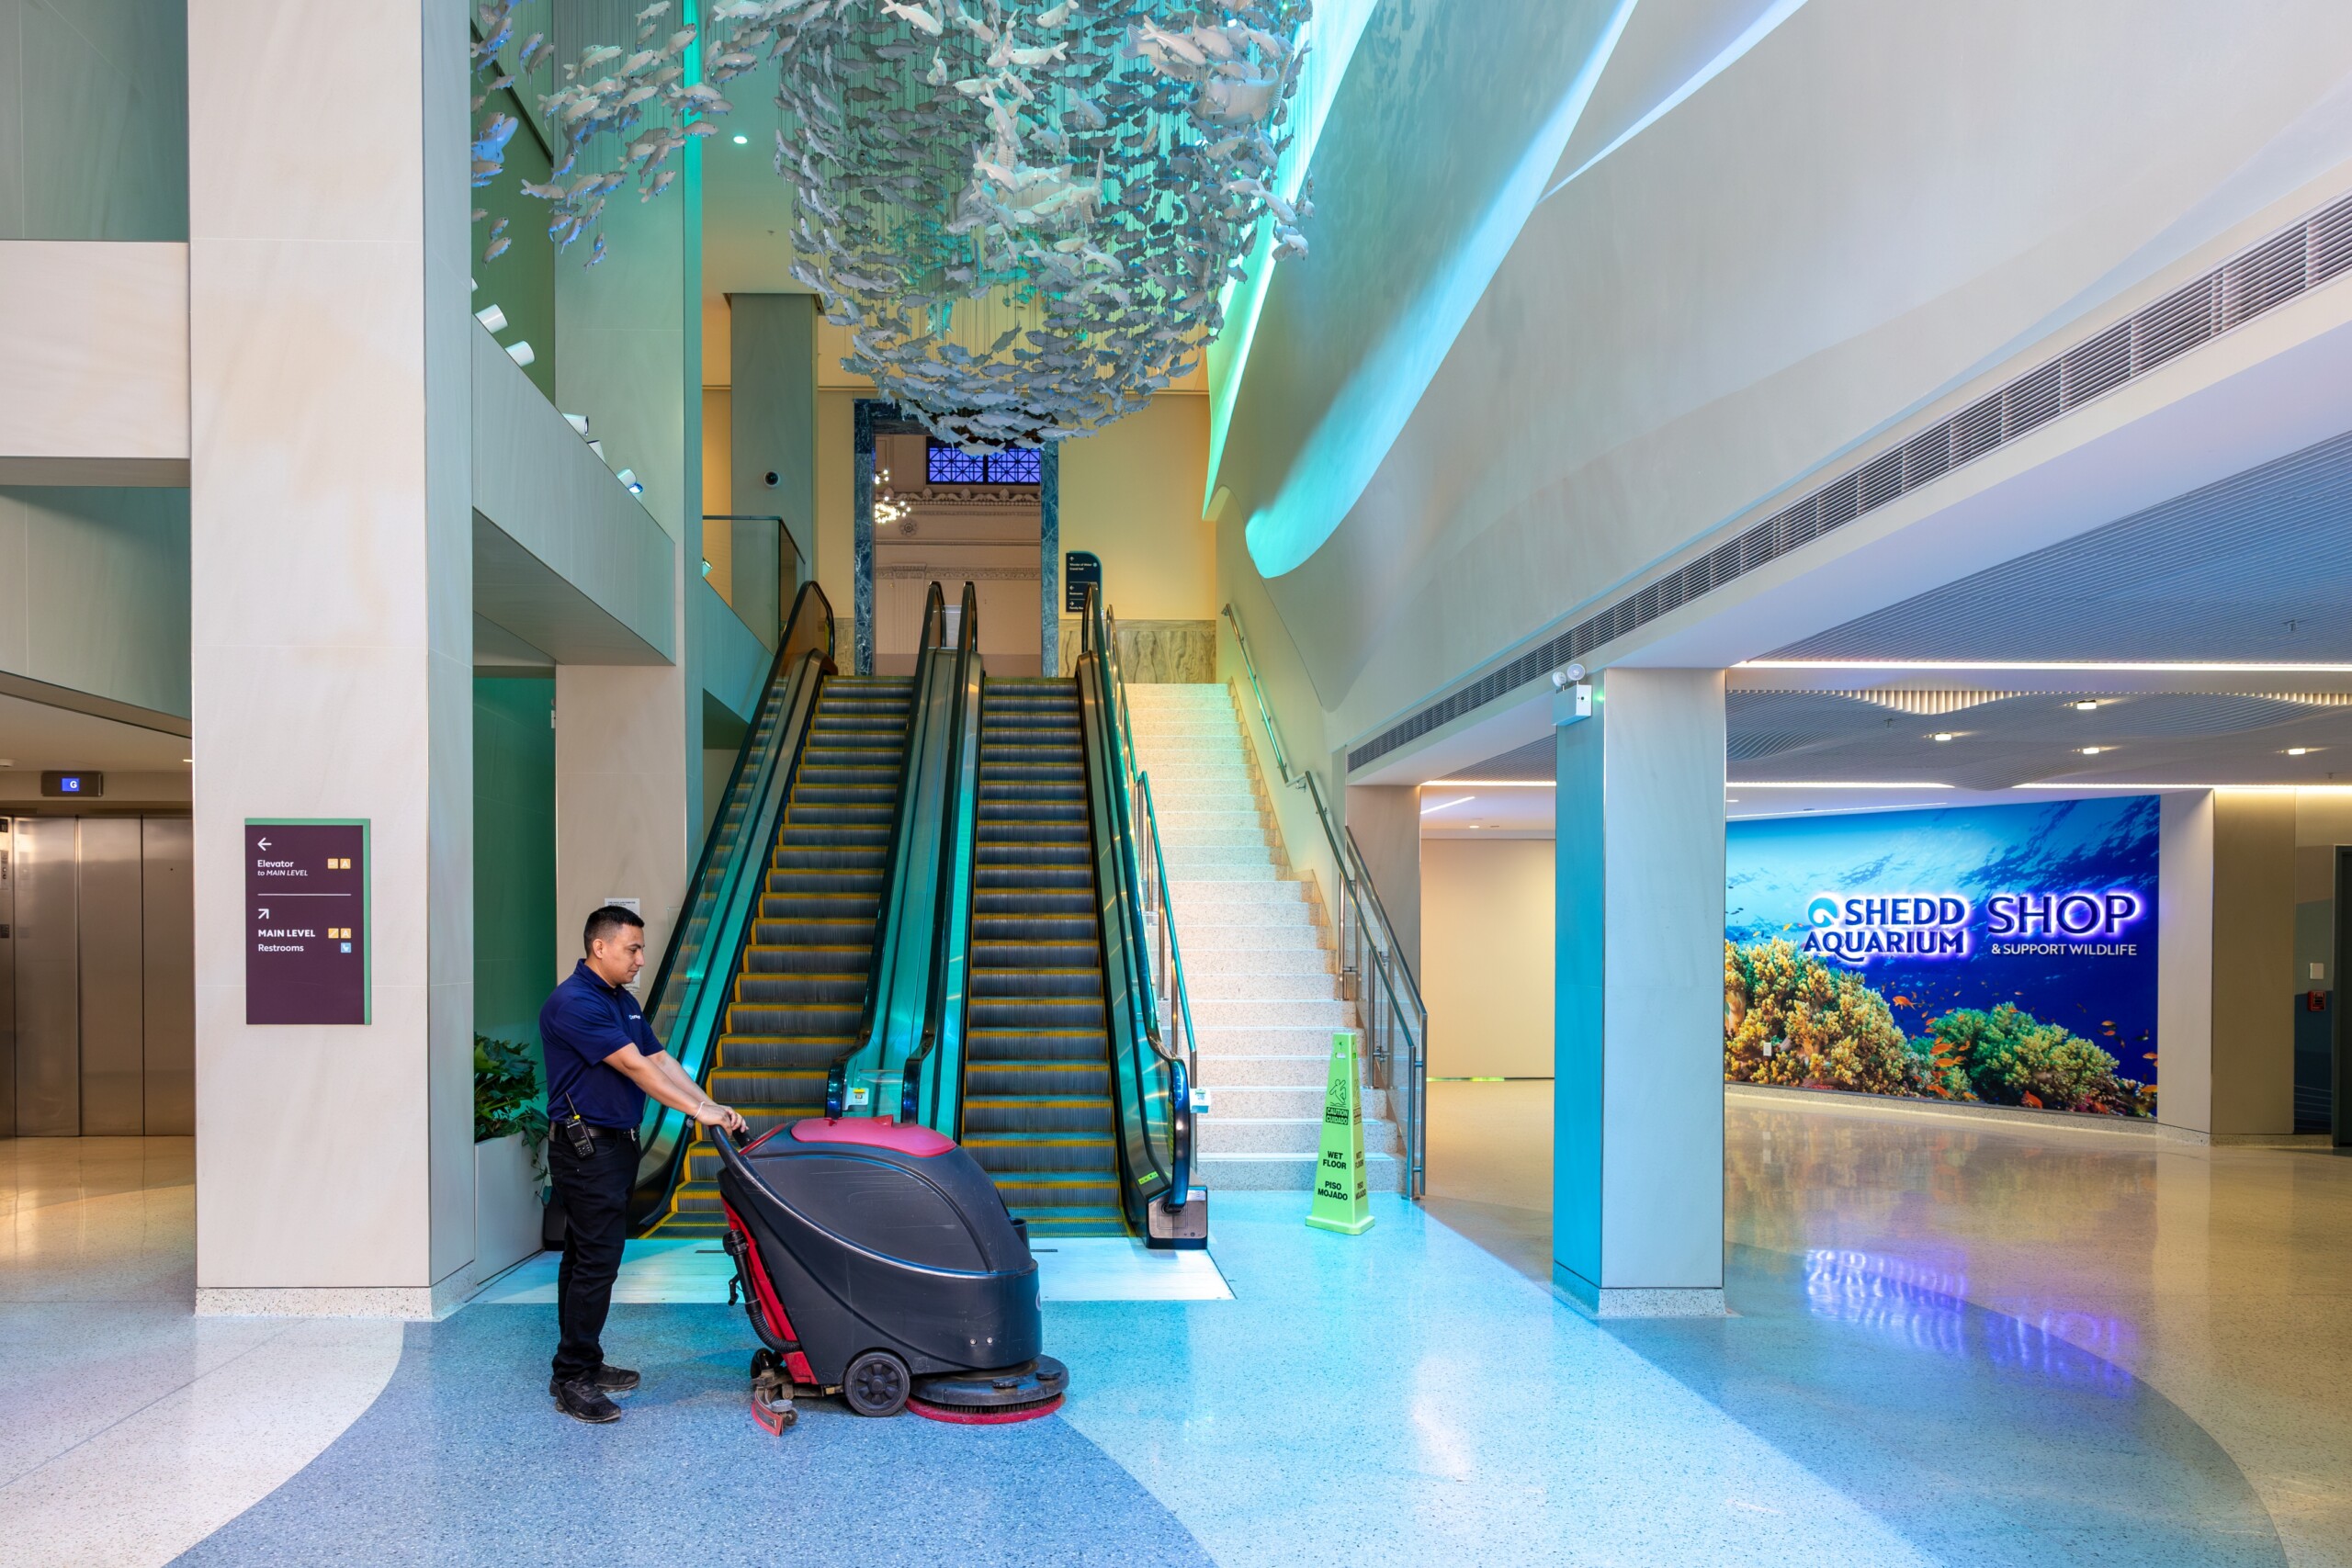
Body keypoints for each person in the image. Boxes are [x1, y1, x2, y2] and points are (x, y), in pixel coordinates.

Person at [537, 904, 746, 1424]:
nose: (640, 959)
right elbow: (633, 1067)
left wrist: (710, 1108)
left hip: (614, 1146)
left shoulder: (618, 1001)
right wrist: (701, 1112)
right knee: (597, 1262)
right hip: (587, 1150)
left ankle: (582, 1360)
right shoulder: (573, 1003)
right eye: (632, 949)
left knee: (583, 1257)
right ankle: (572, 1378)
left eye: (641, 949)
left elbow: (658, 1059)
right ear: (599, 947)